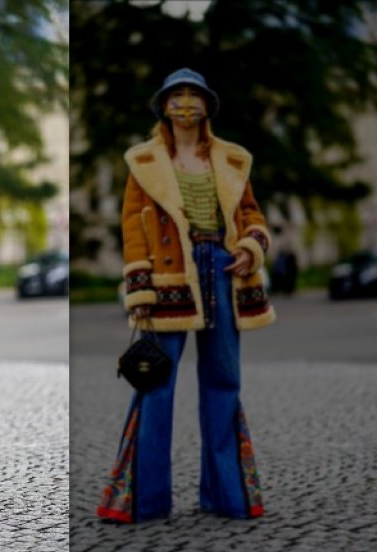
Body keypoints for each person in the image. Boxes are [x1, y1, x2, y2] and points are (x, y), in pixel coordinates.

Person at [97, 69, 275, 523]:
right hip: (167, 275)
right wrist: (139, 292)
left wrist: (252, 248)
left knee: (224, 383)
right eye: (176, 95)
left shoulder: (234, 159)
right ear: (163, 106)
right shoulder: (143, 161)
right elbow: (133, 228)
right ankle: (144, 501)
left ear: (207, 107)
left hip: (223, 271)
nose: (185, 103)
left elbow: (252, 215)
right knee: (155, 383)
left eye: (193, 95)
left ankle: (228, 496)